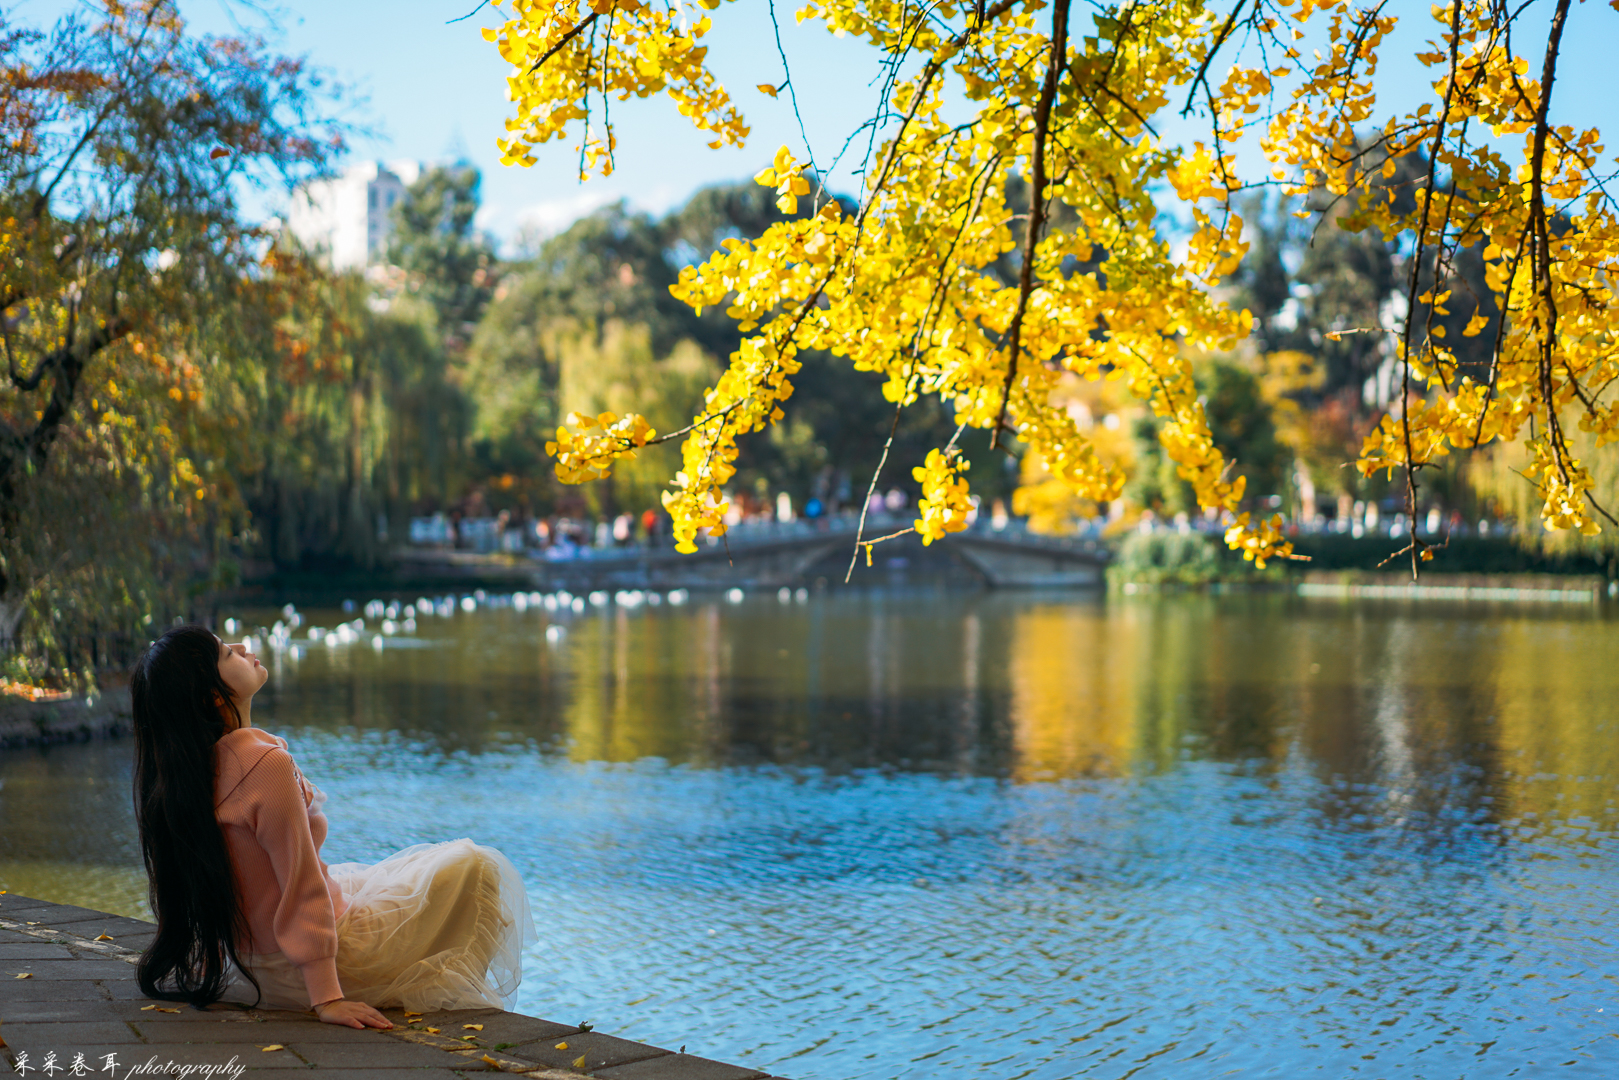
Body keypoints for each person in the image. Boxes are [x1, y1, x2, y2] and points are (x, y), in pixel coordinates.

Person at [131, 625, 533, 1027]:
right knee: (476, 867)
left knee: (384, 877)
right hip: (306, 971)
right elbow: (301, 886)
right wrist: (327, 999)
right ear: (215, 697)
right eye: (226, 653)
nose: (241, 646)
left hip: (249, 964)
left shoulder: (188, 771)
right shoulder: (263, 765)